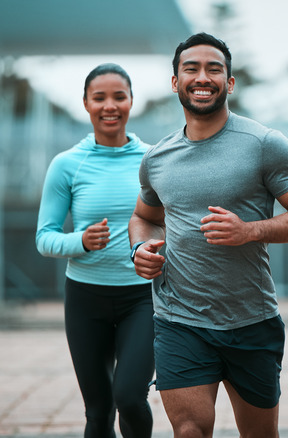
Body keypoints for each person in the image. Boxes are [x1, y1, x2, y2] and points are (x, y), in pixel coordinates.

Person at [128, 32, 288, 438]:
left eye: (214, 69)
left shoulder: (265, 144)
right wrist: (140, 247)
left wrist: (249, 230)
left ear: (229, 82)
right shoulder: (157, 157)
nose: (203, 77)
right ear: (175, 81)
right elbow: (144, 217)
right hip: (178, 319)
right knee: (189, 431)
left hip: (250, 319)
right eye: (191, 69)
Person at [36, 63, 155, 437]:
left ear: (131, 101)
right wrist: (80, 242)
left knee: (131, 396)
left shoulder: (153, 160)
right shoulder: (67, 165)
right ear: (86, 103)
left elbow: (170, 221)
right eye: (99, 97)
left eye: (119, 96)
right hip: (86, 299)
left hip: (143, 298)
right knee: (98, 410)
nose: (110, 105)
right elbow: (44, 237)